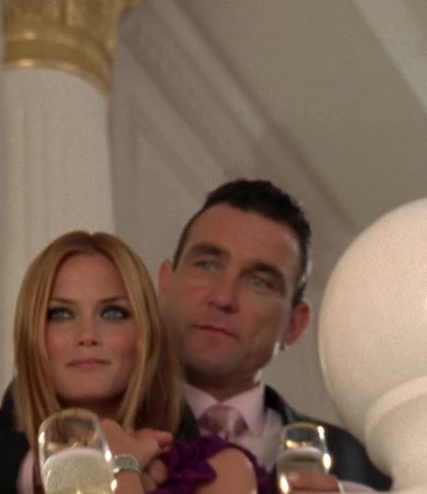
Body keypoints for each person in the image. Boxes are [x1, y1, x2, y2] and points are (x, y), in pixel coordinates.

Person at [0, 231, 265, 493]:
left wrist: (121, 465)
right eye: (61, 314)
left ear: (145, 333)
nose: (87, 335)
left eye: (113, 313)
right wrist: (66, 463)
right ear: (32, 336)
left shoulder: (216, 469)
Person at [157, 179, 391, 493]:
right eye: (207, 265)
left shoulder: (361, 465)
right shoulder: (110, 434)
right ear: (165, 283)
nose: (223, 297)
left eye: (259, 282)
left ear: (294, 324)